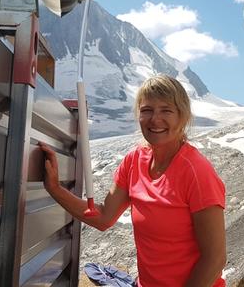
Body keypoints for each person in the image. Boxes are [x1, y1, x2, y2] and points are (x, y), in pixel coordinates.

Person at [40, 74, 226, 287]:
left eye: (166, 110)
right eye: (147, 110)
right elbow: (102, 218)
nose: (155, 119)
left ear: (182, 117)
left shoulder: (197, 172)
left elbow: (214, 259)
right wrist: (54, 188)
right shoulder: (134, 161)